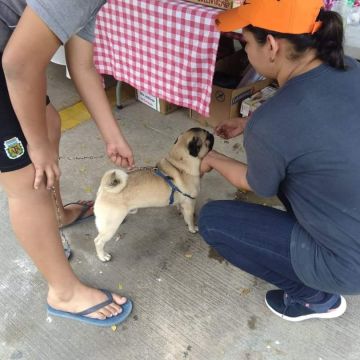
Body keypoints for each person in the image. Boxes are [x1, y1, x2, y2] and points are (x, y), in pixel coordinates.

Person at [198, 0, 360, 321]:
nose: (245, 52)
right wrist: (249, 125)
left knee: (214, 221)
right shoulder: (352, 68)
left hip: (348, 265)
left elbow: (257, 183)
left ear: (271, 45)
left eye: (245, 43)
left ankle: (314, 298)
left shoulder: (273, 122)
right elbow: (323, 127)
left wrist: (212, 157)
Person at [0, 0, 134, 326]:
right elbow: (18, 65)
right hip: (9, 61)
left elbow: (82, 65)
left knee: (49, 123)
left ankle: (58, 215)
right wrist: (37, 146)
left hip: (8, 52)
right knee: (27, 178)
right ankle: (63, 293)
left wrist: (112, 135)